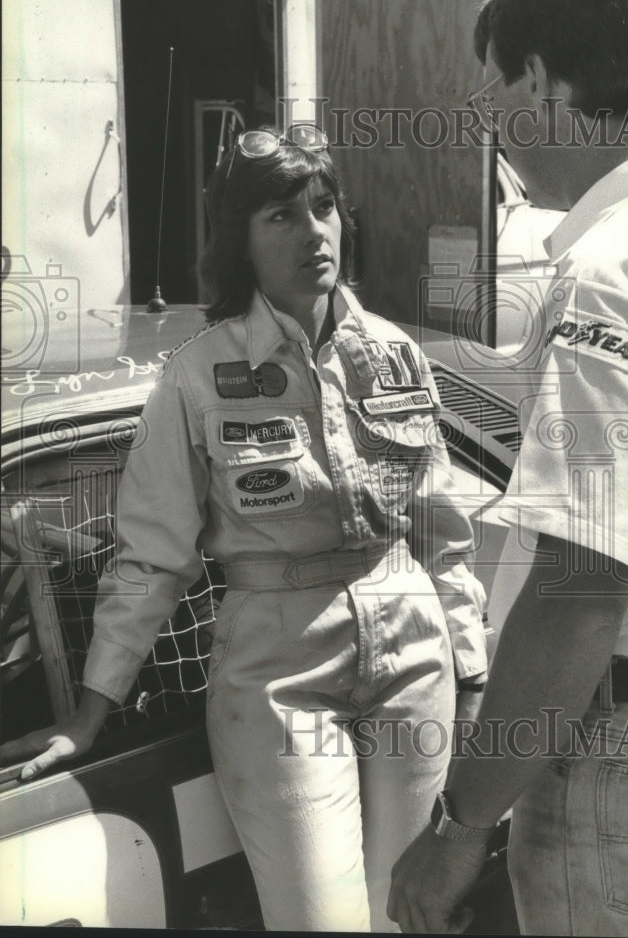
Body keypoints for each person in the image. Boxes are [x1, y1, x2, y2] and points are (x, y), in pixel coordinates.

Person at [0, 124, 487, 932]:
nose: (313, 232)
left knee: (414, 913)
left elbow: (442, 531)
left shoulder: (398, 355)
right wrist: (90, 710)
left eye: (324, 207)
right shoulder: (194, 376)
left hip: (414, 650)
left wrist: (469, 671)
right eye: (281, 216)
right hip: (277, 669)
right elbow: (152, 556)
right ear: (240, 241)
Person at [388, 0, 628, 935]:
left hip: (621, 758)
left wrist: (459, 823)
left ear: (540, 83)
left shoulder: (608, 273)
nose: (489, 120)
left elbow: (579, 590)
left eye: (495, 86)